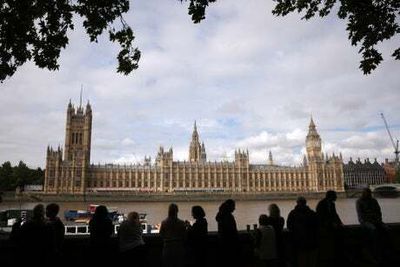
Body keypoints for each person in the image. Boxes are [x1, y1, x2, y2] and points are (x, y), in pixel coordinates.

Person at [356, 188, 389, 262]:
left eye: (369, 193)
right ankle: (376, 250)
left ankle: (386, 249)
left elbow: (379, 211)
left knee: (387, 228)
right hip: (366, 222)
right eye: (368, 193)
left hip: (376, 220)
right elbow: (361, 215)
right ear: (364, 194)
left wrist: (379, 220)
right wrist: (370, 220)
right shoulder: (359, 202)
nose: (369, 195)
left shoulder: (374, 201)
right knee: (374, 229)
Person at [287, 197, 318, 267]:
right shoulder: (312, 213)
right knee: (312, 262)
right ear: (305, 203)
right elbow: (317, 225)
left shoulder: (293, 214)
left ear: (297, 203)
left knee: (302, 262)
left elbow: (289, 226)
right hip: (312, 242)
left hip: (299, 243)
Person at [316, 191, 343, 267]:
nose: (336, 197)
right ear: (331, 196)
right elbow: (320, 216)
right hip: (324, 227)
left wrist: (340, 222)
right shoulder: (321, 204)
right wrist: (329, 223)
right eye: (335, 196)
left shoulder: (332, 204)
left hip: (330, 226)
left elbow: (335, 214)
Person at [215, 199, 240, 267]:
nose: (234, 208)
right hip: (230, 242)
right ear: (229, 207)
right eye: (233, 206)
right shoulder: (228, 216)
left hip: (223, 241)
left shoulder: (221, 215)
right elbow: (231, 230)